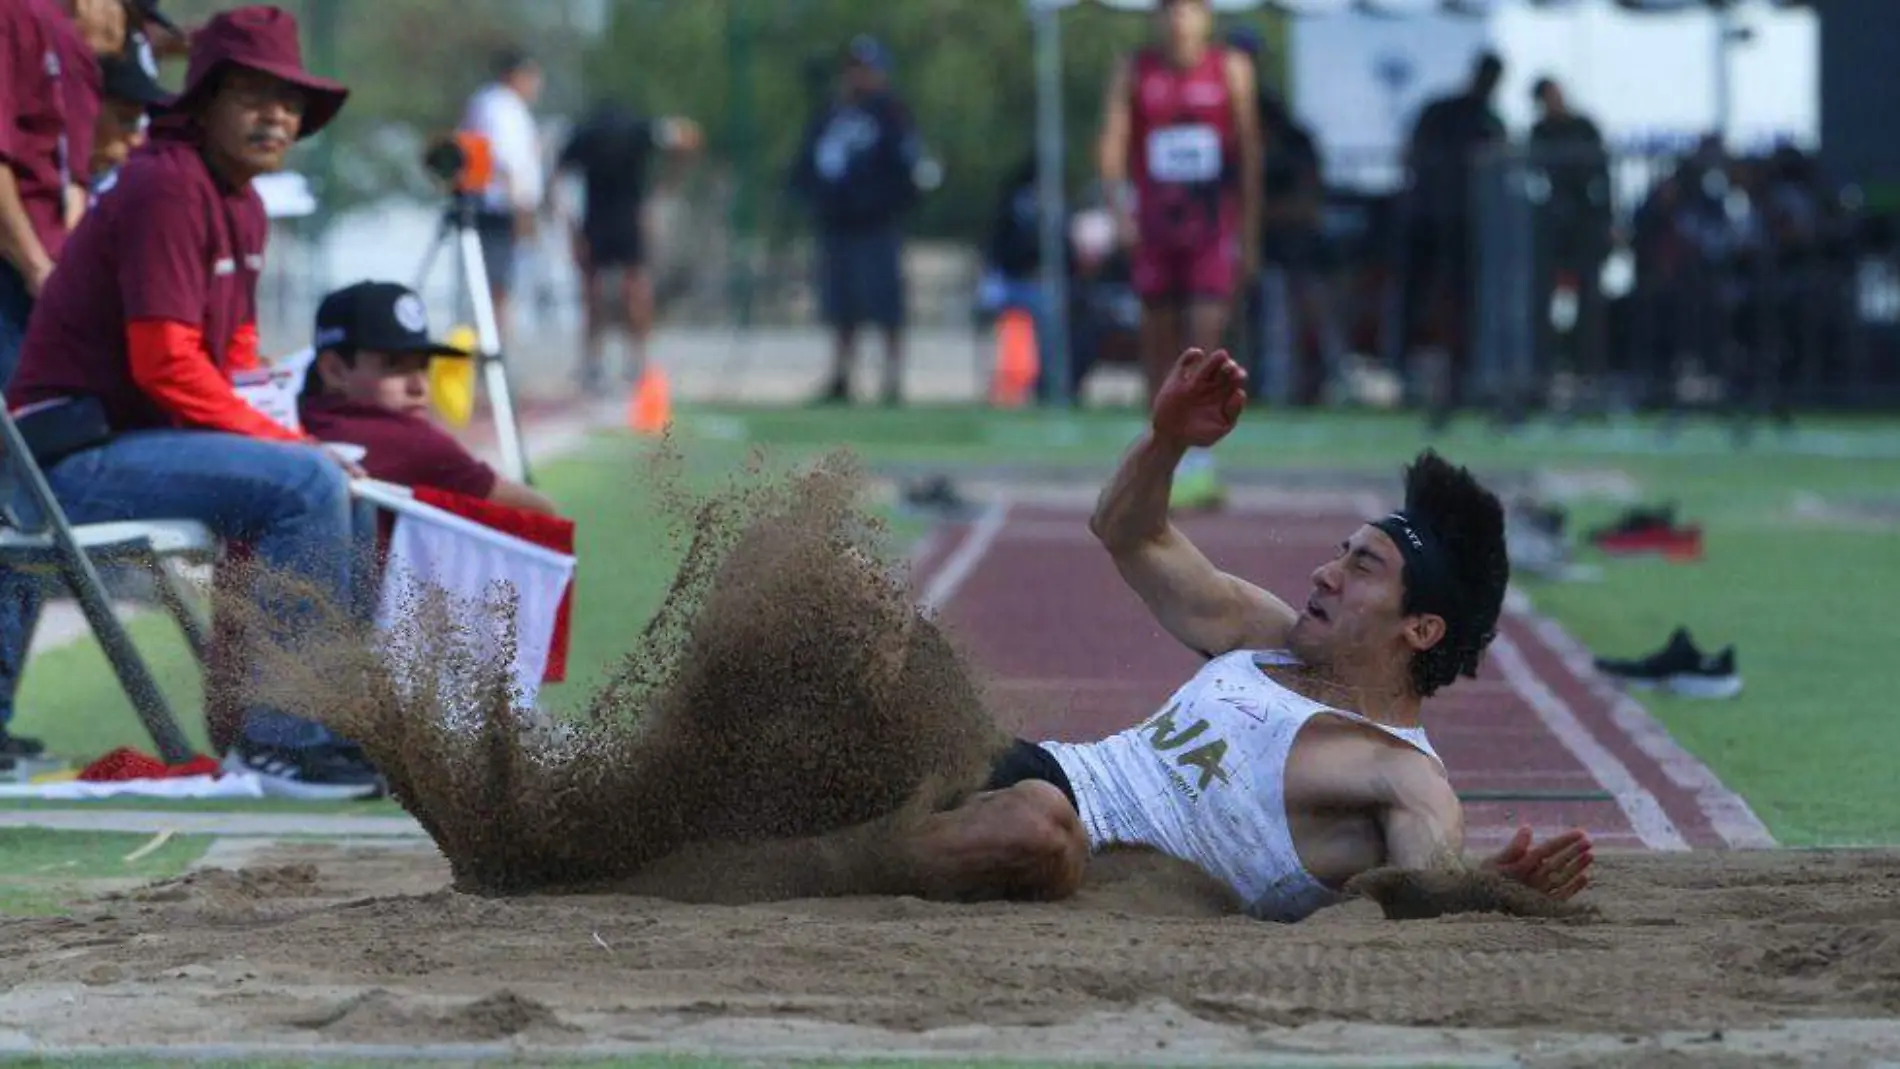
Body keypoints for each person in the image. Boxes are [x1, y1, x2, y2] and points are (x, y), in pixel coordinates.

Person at [791, 347, 1594, 920]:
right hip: (1033, 768)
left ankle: (784, 874)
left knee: (1038, 825)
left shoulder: (1404, 775)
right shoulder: (1268, 636)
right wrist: (1167, 440)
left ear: (1420, 628)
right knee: (875, 624)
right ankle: (712, 804)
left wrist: (1486, 886)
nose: (1325, 573)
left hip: (1073, 858)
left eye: (1363, 567)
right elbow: (1126, 531)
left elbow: (1424, 881)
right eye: (1338, 552)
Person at [0, 4, 384, 798]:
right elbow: (166, 363)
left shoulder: (239, 200)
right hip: (65, 462)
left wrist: (290, 432)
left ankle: (319, 722)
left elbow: (234, 351)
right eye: (251, 95)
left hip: (134, 444)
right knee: (306, 483)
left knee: (343, 484)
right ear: (203, 100)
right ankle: (280, 741)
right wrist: (286, 449)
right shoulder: (167, 185)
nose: (276, 115)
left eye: (290, 101)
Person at [1097, 0, 1262, 510]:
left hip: (1210, 232)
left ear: (1206, 16)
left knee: (1205, 341)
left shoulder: (1231, 69)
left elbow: (1250, 153)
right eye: (1170, 10)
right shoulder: (1135, 70)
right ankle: (1161, 453)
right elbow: (1113, 141)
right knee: (1158, 347)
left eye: (1190, 9)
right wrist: (1117, 209)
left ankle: (1199, 459)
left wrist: (1250, 235)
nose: (1180, 20)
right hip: (1156, 230)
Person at [297, 280, 557, 516]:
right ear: (334, 370)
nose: (419, 386)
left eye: (423, 366)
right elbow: (541, 511)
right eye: (394, 366)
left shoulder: (283, 418)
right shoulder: (414, 442)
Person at [788, 35, 929, 406]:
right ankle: (841, 375)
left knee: (884, 301)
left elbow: (909, 167)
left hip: (877, 224)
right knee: (840, 303)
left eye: (864, 69)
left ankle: (892, 378)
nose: (856, 76)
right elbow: (808, 161)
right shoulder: (830, 112)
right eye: (853, 68)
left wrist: (886, 201)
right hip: (837, 223)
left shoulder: (891, 114)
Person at [1, 0, 126, 395]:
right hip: (15, 273)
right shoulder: (10, 13)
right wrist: (36, 266)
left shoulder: (63, 28)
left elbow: (71, 169)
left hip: (47, 282)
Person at [555, 99, 703, 391]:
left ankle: (632, 362)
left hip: (619, 220)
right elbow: (689, 137)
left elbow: (688, 138)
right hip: (603, 221)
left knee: (628, 291)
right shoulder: (602, 136)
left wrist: (664, 191)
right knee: (599, 293)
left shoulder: (636, 132)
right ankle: (602, 363)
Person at [1402, 51, 1506, 426]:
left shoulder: (1484, 119)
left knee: (1460, 310)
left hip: (1462, 228)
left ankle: (1452, 386)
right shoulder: (1448, 113)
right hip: (1437, 225)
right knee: (1435, 308)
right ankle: (1429, 385)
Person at [1527, 77, 1611, 420]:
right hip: (1552, 235)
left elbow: (1601, 177)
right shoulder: (1539, 133)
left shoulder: (1584, 127)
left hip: (1585, 232)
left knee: (1590, 306)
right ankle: (1546, 376)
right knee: (1546, 307)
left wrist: (1607, 222)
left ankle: (1589, 376)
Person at [459, 46, 544, 351]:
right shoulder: (499, 106)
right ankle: (489, 354)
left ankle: (492, 351)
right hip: (498, 209)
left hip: (504, 209)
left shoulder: (505, 106)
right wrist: (523, 213)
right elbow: (505, 162)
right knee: (495, 288)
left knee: (500, 288)